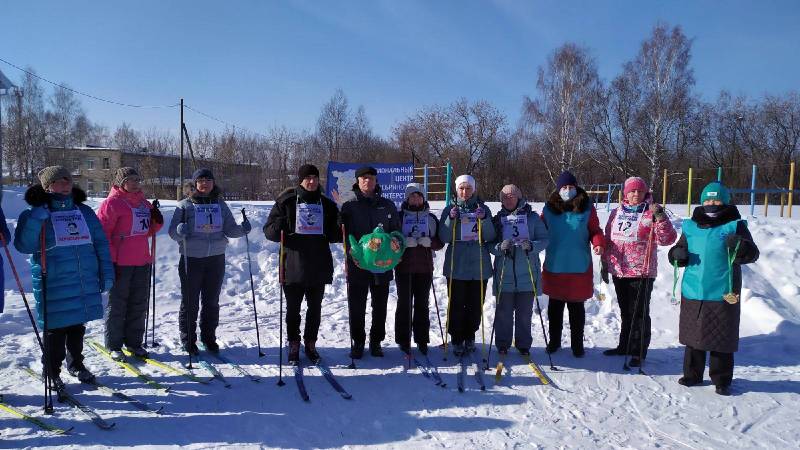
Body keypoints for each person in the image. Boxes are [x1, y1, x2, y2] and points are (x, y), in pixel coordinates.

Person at [15, 166, 114, 383]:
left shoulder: (84, 212)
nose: (66, 183)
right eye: (60, 180)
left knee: (77, 327)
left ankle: (76, 364)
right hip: (54, 281)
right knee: (56, 331)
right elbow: (24, 245)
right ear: (48, 186)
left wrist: (106, 272)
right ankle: (51, 371)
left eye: (68, 179)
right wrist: (35, 220)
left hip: (82, 279)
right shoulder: (34, 213)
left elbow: (100, 243)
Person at [668, 181, 759, 396]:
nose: (711, 203)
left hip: (723, 290)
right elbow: (680, 248)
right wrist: (676, 255)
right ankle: (692, 374)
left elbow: (752, 253)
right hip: (694, 288)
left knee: (721, 338)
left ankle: (722, 379)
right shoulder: (690, 225)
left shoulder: (735, 225)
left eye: (716, 199)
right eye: (707, 199)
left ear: (724, 201)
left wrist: (741, 246)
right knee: (694, 335)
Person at [168, 168, 251, 355]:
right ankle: (188, 338)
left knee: (211, 300)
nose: (204, 184)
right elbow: (173, 233)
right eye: (200, 180)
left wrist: (242, 229)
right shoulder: (185, 205)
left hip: (215, 258)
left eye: (208, 180)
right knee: (190, 301)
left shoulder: (220, 205)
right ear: (195, 184)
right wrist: (180, 231)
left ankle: (209, 337)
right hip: (192, 258)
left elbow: (230, 229)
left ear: (213, 183)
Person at [263, 164, 340, 363]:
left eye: (315, 178)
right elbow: (269, 231)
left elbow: (336, 235)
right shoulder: (287, 201)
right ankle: (294, 343)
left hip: (318, 263)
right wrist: (281, 225)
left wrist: (339, 219)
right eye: (308, 178)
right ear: (301, 180)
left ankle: (310, 343)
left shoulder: (326, 204)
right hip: (293, 264)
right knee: (293, 309)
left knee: (315, 308)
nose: (312, 182)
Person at [601, 176, 676, 366]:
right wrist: (605, 263)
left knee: (639, 313)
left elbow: (667, 239)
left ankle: (638, 351)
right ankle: (624, 346)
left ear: (645, 193)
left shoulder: (650, 212)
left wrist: (660, 217)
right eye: (632, 191)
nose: (636, 194)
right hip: (619, 269)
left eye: (639, 191)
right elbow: (609, 237)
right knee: (626, 311)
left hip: (640, 271)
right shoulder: (617, 212)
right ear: (626, 193)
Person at [97, 167, 164, 361]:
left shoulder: (143, 202)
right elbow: (103, 234)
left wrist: (157, 221)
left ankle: (134, 342)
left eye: (137, 179)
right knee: (118, 304)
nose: (135, 183)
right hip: (121, 262)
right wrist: (112, 259)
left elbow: (147, 231)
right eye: (130, 180)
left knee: (138, 303)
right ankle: (114, 344)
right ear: (121, 182)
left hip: (142, 259)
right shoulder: (112, 203)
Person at [339, 166, 401, 358]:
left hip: (382, 265)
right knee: (356, 305)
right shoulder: (349, 206)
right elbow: (343, 234)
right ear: (358, 181)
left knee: (380, 305)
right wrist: (351, 253)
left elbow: (396, 232)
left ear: (376, 181)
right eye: (364, 178)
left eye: (371, 178)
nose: (368, 181)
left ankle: (376, 341)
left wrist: (395, 246)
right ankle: (358, 342)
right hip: (359, 264)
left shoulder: (388, 205)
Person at [541, 171, 604, 357]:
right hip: (555, 265)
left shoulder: (587, 208)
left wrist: (599, 243)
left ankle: (577, 345)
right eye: (564, 187)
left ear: (576, 188)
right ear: (558, 189)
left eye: (571, 187)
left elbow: (595, 230)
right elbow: (538, 229)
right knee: (555, 309)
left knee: (576, 310)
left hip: (579, 266)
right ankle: (554, 342)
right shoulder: (548, 209)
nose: (568, 190)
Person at [439, 174, 496, 357]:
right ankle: (456, 337)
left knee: (475, 304)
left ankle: (470, 335)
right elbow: (444, 237)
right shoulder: (449, 208)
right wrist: (450, 219)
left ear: (474, 190)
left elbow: (490, 236)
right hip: (457, 265)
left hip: (479, 265)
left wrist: (484, 219)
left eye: (468, 188)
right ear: (457, 190)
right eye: (461, 188)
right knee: (456, 304)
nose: (465, 192)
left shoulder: (483, 208)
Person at [489, 184, 549, 356]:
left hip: (527, 273)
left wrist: (532, 246)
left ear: (519, 197)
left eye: (512, 196)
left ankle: (523, 344)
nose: (508, 199)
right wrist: (500, 246)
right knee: (504, 313)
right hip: (505, 273)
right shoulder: (497, 219)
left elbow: (545, 240)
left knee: (524, 314)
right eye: (505, 197)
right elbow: (488, 246)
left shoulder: (532, 218)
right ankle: (502, 344)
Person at [394, 183, 444, 355]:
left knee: (422, 304)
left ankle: (422, 339)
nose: (415, 199)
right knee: (404, 304)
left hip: (424, 267)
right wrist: (402, 243)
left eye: (419, 196)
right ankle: (403, 339)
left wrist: (431, 243)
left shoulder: (430, 218)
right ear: (407, 198)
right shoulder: (399, 216)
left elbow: (440, 241)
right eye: (412, 196)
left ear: (423, 198)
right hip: (404, 267)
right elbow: (391, 240)